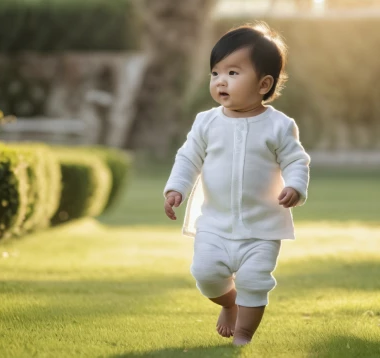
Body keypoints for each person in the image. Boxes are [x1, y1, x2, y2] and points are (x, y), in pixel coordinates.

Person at [163, 21, 310, 346]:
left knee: (255, 280)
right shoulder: (206, 123)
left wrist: (296, 187)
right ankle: (229, 304)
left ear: (264, 83)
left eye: (233, 72)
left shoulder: (279, 126)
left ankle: (243, 337)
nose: (220, 81)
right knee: (205, 274)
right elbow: (188, 158)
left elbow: (296, 160)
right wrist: (176, 188)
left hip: (262, 227)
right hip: (214, 222)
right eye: (215, 73)